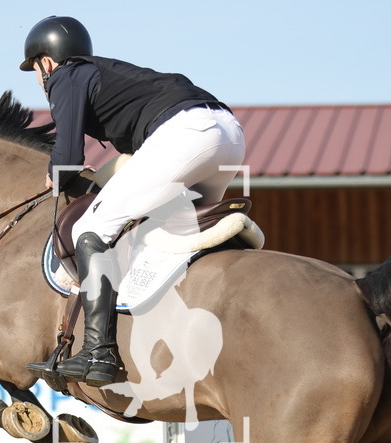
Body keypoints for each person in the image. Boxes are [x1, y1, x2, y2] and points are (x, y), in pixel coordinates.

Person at [19, 16, 245, 388]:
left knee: (91, 228)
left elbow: (67, 157)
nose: (38, 79)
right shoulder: (111, 75)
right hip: (229, 134)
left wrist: (55, 174)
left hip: (186, 134)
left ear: (46, 62)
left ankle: (98, 351)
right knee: (173, 235)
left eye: (35, 71)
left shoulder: (64, 76)